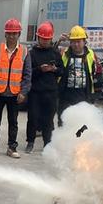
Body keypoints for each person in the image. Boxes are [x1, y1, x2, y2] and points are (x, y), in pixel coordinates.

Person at [0, 18, 30, 158]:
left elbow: (28, 74)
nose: (12, 36)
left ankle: (12, 147)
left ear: (19, 34)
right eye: (9, 33)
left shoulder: (24, 52)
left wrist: (23, 92)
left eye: (15, 33)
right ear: (5, 34)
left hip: (15, 93)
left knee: (13, 122)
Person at [25, 22, 63, 153]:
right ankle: (30, 142)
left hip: (51, 91)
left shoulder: (55, 53)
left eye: (48, 39)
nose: (45, 41)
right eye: (43, 39)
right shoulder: (32, 53)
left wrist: (54, 69)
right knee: (33, 118)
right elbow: (28, 73)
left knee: (48, 119)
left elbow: (62, 71)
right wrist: (40, 69)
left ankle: (48, 143)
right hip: (35, 92)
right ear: (38, 38)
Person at [59, 25, 103, 121]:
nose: (76, 45)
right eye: (73, 42)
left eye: (78, 41)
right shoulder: (64, 54)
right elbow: (51, 56)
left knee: (82, 124)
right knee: (65, 124)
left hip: (84, 97)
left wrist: (95, 95)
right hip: (66, 98)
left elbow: (98, 74)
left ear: (84, 42)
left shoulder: (91, 55)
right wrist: (58, 42)